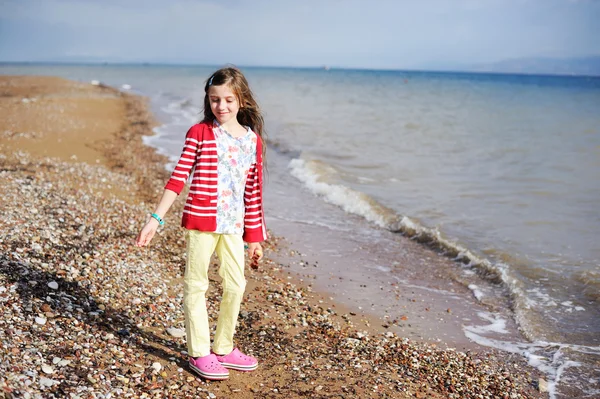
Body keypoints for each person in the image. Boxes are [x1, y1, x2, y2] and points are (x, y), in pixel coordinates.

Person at [135, 66, 267, 381]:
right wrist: (155, 218)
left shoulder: (253, 141)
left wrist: (255, 239)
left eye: (228, 100)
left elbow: (254, 192)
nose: (221, 107)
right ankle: (199, 352)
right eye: (214, 100)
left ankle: (223, 347)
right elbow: (178, 176)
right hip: (202, 221)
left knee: (236, 285)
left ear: (242, 101)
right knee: (196, 285)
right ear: (208, 100)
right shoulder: (200, 132)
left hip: (234, 225)